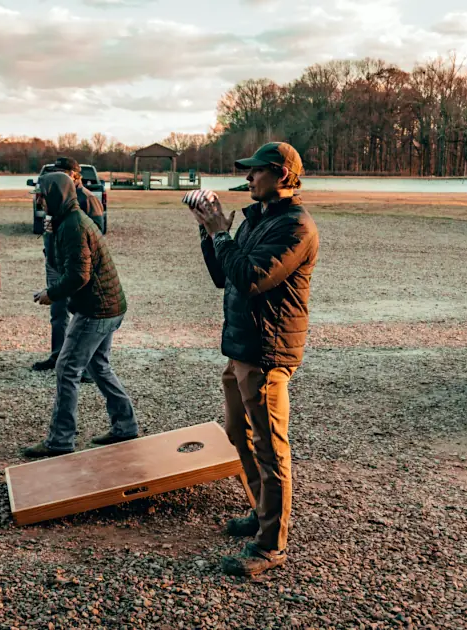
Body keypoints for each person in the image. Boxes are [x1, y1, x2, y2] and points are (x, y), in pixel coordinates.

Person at [187, 141, 319, 577]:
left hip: (267, 353)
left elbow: (251, 279)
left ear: (281, 174)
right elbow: (222, 275)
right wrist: (212, 232)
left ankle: (270, 545)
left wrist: (222, 233)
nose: (247, 179)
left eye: (255, 172)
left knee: (270, 447)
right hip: (240, 348)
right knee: (236, 433)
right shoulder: (256, 220)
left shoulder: (296, 228)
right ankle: (261, 511)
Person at [22, 172, 136, 458]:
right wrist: (49, 233)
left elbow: (78, 275)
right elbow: (57, 262)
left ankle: (60, 440)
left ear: (56, 196)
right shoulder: (65, 222)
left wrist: (52, 294)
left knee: (66, 369)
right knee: (99, 367)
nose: (38, 200)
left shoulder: (74, 226)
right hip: (109, 306)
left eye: (42, 195)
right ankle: (125, 425)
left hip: (96, 310)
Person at [32, 156, 106, 374]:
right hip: (54, 263)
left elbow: (96, 234)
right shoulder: (55, 195)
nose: (59, 176)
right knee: (57, 312)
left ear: (75, 175)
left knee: (81, 314)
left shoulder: (87, 199)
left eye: (63, 172)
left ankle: (83, 364)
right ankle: (57, 356)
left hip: (75, 267)